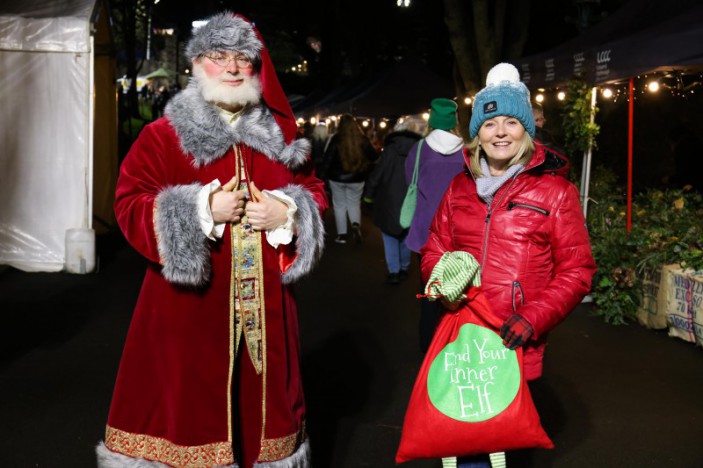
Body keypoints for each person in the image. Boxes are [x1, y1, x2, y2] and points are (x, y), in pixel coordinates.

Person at [97, 13, 327, 468]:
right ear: (198, 63)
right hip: (187, 317)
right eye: (219, 56)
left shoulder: (282, 140)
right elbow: (128, 203)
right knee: (189, 425)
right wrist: (199, 211)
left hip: (269, 323)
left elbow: (317, 195)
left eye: (243, 58)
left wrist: (291, 212)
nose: (233, 67)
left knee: (260, 427)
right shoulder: (162, 136)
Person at [421, 63, 596, 467]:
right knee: (463, 448)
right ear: (477, 133)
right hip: (462, 339)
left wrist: (532, 318)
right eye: (489, 123)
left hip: (514, 343)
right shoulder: (459, 187)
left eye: (511, 122)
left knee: (508, 449)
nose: (500, 132)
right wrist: (440, 279)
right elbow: (435, 246)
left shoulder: (556, 192)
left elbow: (577, 270)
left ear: (526, 130)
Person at [404, 98, 465, 352]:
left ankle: (428, 348)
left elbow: (410, 182)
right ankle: (455, 346)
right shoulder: (468, 151)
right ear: (454, 121)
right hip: (459, 231)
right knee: (459, 293)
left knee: (430, 294)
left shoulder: (418, 150)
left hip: (425, 234)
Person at [364, 116, 424, 284]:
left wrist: (368, 195)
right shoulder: (421, 149)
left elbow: (378, 173)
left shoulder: (390, 149)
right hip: (411, 199)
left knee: (389, 237)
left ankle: (394, 272)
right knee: (406, 235)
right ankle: (405, 267)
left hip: (388, 199)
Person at [320, 113, 379, 244]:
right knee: (354, 203)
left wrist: (321, 177)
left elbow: (327, 160)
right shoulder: (362, 139)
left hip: (337, 178)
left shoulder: (336, 139)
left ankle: (342, 235)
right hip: (357, 178)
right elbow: (374, 156)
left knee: (339, 205)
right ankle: (355, 225)